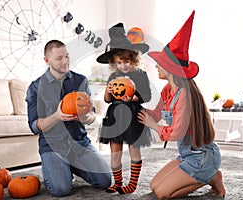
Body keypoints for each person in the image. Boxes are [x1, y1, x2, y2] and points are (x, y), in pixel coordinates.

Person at [137, 11, 226, 199]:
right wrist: (136, 106)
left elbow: (175, 132)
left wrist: (152, 125)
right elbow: (157, 113)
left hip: (202, 157)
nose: (156, 67)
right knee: (154, 185)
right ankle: (207, 176)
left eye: (159, 64)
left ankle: (211, 177)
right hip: (187, 155)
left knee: (162, 194)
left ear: (170, 68)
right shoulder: (168, 90)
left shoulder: (185, 94)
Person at [25, 39, 111, 197]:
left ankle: (69, 166)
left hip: (79, 143)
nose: (65, 61)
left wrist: (85, 117)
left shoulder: (81, 81)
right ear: (47, 60)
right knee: (60, 190)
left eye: (67, 56)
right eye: (59, 58)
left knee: (105, 181)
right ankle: (59, 167)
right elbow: (34, 127)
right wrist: (57, 116)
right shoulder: (36, 87)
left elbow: (92, 116)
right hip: (53, 146)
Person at [96, 22, 152, 195]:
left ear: (134, 59)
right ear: (114, 63)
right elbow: (107, 100)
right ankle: (118, 182)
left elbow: (147, 96)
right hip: (115, 116)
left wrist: (135, 97)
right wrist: (107, 91)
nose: (123, 66)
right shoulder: (114, 76)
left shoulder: (140, 75)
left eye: (126, 61)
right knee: (115, 152)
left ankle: (133, 183)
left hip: (133, 116)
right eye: (119, 63)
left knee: (134, 149)